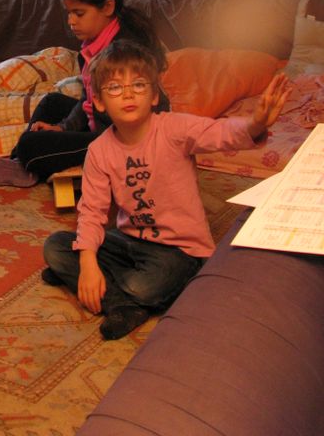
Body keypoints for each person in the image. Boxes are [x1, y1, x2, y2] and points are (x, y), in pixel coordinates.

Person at [42, 40, 291, 341]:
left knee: (143, 285)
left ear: (154, 95)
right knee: (56, 246)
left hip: (179, 250)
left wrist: (255, 124)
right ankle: (121, 303)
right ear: (99, 102)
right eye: (115, 88)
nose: (128, 94)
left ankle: (113, 292)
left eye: (138, 84)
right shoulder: (98, 151)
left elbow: (219, 133)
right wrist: (87, 262)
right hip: (128, 239)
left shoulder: (174, 129)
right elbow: (92, 211)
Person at [0, 0, 168, 187]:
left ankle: (28, 160)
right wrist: (64, 128)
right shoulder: (93, 46)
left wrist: (71, 136)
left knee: (30, 145)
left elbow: (128, 121)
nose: (71, 21)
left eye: (79, 13)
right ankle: (21, 162)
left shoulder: (123, 55)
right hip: (103, 121)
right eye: (69, 13)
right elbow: (89, 100)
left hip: (125, 138)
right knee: (52, 102)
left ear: (108, 7)